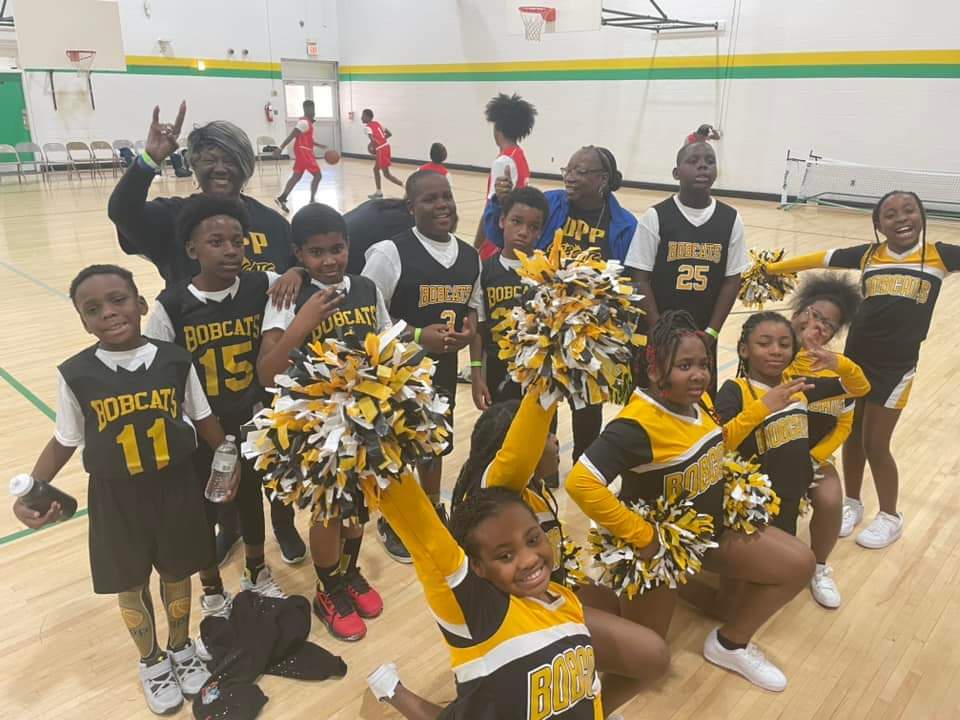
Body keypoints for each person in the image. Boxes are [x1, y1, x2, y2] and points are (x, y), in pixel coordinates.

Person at [12, 264, 238, 714]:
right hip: (115, 496)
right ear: (81, 319)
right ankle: (151, 661)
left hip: (176, 486)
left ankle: (180, 646)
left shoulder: (175, 360)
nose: (108, 313)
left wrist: (228, 460)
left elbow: (202, 416)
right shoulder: (76, 373)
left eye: (118, 300)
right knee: (130, 581)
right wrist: (31, 490)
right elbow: (65, 438)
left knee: (177, 573)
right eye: (92, 308)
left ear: (140, 302)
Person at [566, 310, 816, 692]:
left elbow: (714, 446)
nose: (699, 374)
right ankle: (578, 670)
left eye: (703, 364)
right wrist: (644, 536)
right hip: (657, 554)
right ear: (654, 371)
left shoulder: (695, 403)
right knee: (645, 659)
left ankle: (729, 644)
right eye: (685, 365)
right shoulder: (636, 424)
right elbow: (581, 483)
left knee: (800, 564)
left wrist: (765, 406)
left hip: (706, 533)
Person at [107, 103, 307, 564]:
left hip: (265, 365)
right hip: (201, 370)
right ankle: (231, 526)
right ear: (193, 164)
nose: (220, 166)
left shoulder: (271, 222)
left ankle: (283, 523)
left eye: (230, 158)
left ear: (246, 165)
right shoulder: (174, 218)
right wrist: (149, 160)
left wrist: (295, 267)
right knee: (216, 461)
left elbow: (295, 265)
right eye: (208, 157)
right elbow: (121, 211)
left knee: (274, 456)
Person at [762, 190, 960, 549]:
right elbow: (818, 258)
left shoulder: (940, 255)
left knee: (877, 445)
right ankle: (852, 503)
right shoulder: (869, 255)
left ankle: (890, 516)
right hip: (855, 362)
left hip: (896, 370)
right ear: (877, 224)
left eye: (909, 211)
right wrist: (770, 268)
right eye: (890, 214)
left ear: (922, 214)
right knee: (852, 437)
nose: (901, 219)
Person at [146, 195, 290, 623]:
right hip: (199, 432)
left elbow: (292, 277)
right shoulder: (169, 307)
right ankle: (211, 587)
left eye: (238, 241)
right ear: (192, 250)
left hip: (250, 419)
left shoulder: (261, 286)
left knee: (251, 501)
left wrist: (297, 271)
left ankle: (257, 571)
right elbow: (162, 380)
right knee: (202, 513)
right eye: (216, 242)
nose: (231, 250)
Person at [258, 203, 391, 641]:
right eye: (316, 253)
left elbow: (387, 343)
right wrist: (302, 323)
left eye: (337, 249)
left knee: (359, 507)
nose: (329, 260)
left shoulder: (367, 287)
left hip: (364, 418)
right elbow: (267, 372)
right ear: (298, 253)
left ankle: (349, 573)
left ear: (349, 245)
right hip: (316, 427)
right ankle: (328, 588)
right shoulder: (287, 295)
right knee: (329, 512)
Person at [483, 146, 642, 471]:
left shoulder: (624, 224)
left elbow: (627, 280)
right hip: (546, 321)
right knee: (544, 394)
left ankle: (583, 464)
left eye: (580, 172)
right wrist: (498, 202)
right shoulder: (552, 202)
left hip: (591, 327)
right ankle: (545, 464)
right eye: (568, 169)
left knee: (588, 403)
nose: (570, 177)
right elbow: (499, 232)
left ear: (603, 179)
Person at [363, 170, 482, 563]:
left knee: (435, 444)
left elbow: (472, 315)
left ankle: (431, 505)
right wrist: (416, 336)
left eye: (446, 196)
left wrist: (470, 345)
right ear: (411, 207)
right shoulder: (389, 253)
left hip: (441, 371)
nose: (442, 205)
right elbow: (361, 316)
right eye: (429, 199)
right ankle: (394, 518)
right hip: (394, 373)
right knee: (395, 447)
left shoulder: (470, 257)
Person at [715, 310, 870, 607]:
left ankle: (817, 569)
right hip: (747, 508)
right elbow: (718, 445)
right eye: (765, 343)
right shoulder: (734, 391)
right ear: (744, 349)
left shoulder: (800, 388)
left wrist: (837, 363)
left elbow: (860, 388)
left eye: (784, 344)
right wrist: (762, 408)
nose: (776, 350)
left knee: (774, 580)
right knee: (729, 605)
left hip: (787, 499)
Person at [627, 141, 750, 397]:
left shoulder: (730, 219)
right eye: (692, 161)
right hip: (658, 333)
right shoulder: (656, 216)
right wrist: (659, 329)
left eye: (709, 161)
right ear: (676, 173)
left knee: (700, 403)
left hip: (702, 335)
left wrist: (712, 332)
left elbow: (731, 280)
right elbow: (639, 277)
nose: (702, 165)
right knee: (652, 400)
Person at [788, 274, 867, 606]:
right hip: (766, 454)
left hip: (813, 455)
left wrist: (814, 458)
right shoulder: (775, 352)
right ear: (801, 313)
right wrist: (791, 336)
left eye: (829, 325)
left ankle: (818, 566)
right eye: (815, 317)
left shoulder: (840, 370)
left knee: (832, 500)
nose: (819, 327)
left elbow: (845, 423)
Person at [469, 186, 548, 411]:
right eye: (517, 221)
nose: (523, 232)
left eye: (533, 227)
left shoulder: (548, 272)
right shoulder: (484, 272)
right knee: (497, 438)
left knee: (540, 443)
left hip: (537, 372)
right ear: (502, 221)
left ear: (540, 232)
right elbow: (479, 330)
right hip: (497, 369)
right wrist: (477, 374)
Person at [474, 93, 537, 261]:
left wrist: (476, 245)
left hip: (497, 237)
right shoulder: (520, 155)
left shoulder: (503, 161)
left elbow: (490, 207)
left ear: (497, 128)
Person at [274, 99, 329, 213]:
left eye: (314, 109)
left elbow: (308, 139)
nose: (314, 111)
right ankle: (312, 200)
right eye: (312, 109)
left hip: (303, 151)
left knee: (296, 176)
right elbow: (292, 135)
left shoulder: (307, 123)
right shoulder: (303, 123)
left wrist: (319, 145)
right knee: (317, 175)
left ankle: (282, 198)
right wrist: (280, 148)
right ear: (307, 109)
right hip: (304, 152)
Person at [342, 198, 415, 276]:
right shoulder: (404, 226)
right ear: (410, 206)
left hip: (337, 250)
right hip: (346, 270)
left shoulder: (380, 204)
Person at [362, 108, 403, 198]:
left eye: (363, 116)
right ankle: (379, 192)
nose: (361, 118)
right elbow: (389, 133)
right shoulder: (377, 124)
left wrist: (372, 148)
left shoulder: (367, 128)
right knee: (376, 169)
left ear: (368, 117)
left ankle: (405, 186)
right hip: (386, 146)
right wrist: (381, 140)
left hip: (381, 149)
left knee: (386, 174)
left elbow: (372, 140)